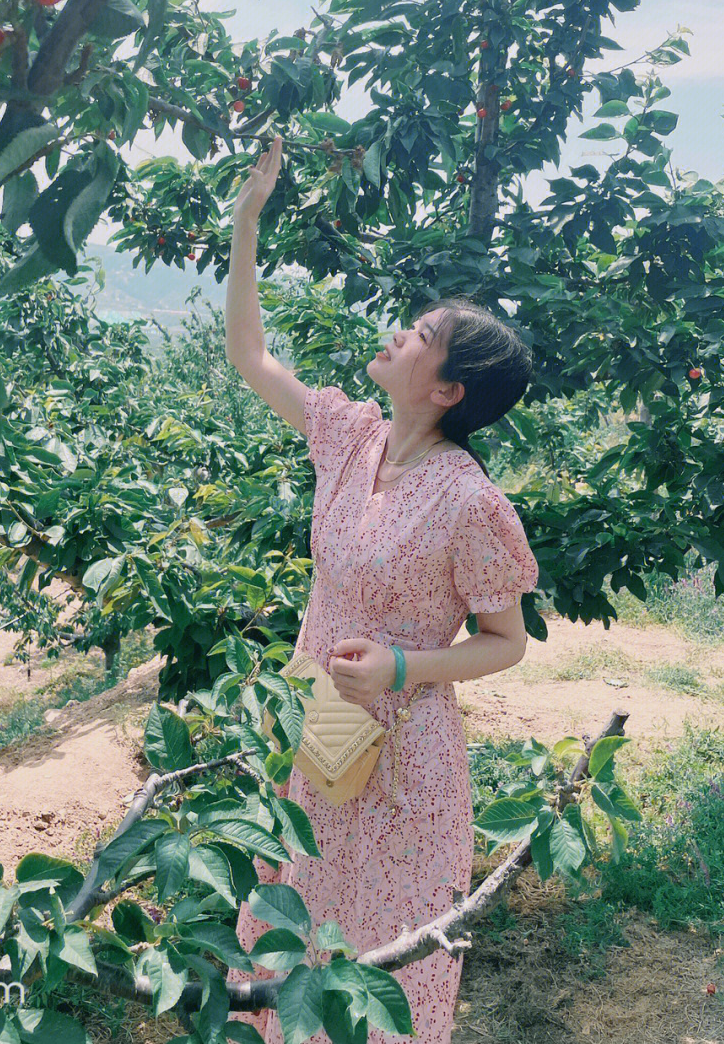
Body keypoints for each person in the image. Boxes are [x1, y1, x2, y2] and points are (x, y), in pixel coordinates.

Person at [223, 134, 540, 1042]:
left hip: (407, 769)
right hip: (327, 731)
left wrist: (403, 665)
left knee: (379, 967)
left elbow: (506, 639)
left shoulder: (471, 503)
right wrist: (248, 221)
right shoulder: (349, 436)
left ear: (446, 388)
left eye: (422, 337)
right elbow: (252, 353)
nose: (399, 333)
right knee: (294, 931)